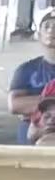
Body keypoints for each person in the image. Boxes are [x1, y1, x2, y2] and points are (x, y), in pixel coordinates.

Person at [6, 9, 55, 144]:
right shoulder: (25, 69)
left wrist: (34, 106)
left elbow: (22, 104)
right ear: (39, 35)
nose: (51, 30)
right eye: (47, 26)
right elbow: (14, 105)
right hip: (33, 131)